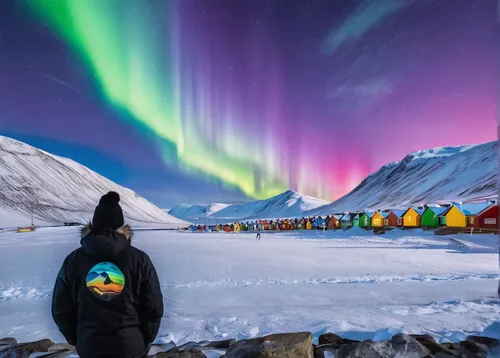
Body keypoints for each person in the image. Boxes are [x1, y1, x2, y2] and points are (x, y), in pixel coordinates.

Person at [52, 191, 164, 358]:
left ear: (94, 224)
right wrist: (145, 338)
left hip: (89, 346)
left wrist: (75, 338)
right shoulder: (140, 259)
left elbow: (60, 307)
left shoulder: (73, 260)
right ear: (121, 226)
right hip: (131, 347)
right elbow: (153, 306)